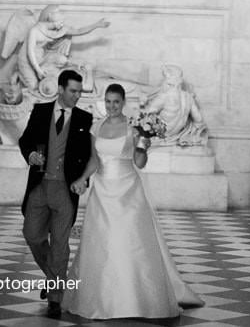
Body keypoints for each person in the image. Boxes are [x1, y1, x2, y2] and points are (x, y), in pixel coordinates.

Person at [62, 84, 204, 319]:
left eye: (116, 102)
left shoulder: (133, 127)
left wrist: (144, 143)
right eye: (108, 101)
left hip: (128, 192)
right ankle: (103, 299)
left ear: (123, 102)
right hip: (102, 192)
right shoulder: (96, 127)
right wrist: (82, 179)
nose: (111, 106)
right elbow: (94, 161)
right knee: (102, 243)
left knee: (129, 242)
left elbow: (139, 163)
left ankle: (135, 300)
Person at [18, 69, 95, 318]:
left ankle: (54, 296)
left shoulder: (85, 118)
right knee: (31, 234)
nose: (77, 96)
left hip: (66, 189)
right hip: (40, 187)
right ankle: (54, 277)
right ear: (60, 89)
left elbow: (91, 154)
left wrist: (83, 180)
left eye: (79, 92)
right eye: (73, 91)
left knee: (61, 245)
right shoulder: (41, 111)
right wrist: (30, 154)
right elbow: (25, 140)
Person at [141, 64, 207, 147]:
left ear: (168, 82)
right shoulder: (188, 97)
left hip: (163, 135)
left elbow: (146, 115)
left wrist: (143, 103)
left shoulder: (164, 97)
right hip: (179, 133)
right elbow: (199, 119)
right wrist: (192, 132)